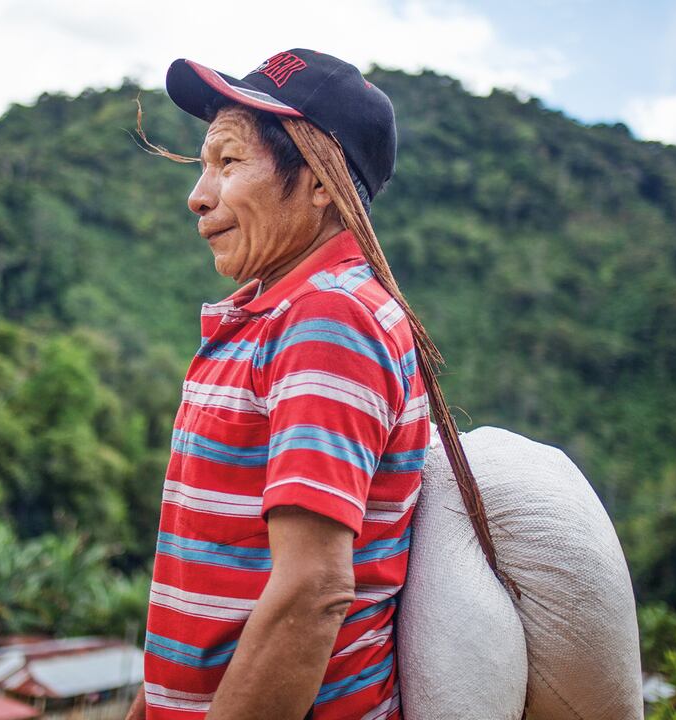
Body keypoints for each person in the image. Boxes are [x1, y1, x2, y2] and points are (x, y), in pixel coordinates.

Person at [128, 49, 499, 720]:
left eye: (229, 162)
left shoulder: (329, 319)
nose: (198, 195)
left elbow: (314, 589)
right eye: (204, 165)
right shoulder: (269, 316)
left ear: (320, 182)